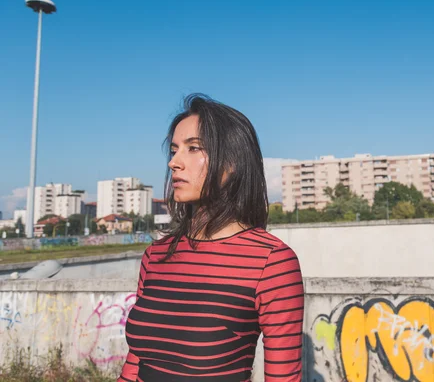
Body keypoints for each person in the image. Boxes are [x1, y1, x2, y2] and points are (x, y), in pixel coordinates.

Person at [118, 94, 304, 381]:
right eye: (174, 150)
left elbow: (284, 376)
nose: (174, 163)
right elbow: (135, 363)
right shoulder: (156, 255)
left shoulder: (272, 261)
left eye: (194, 148)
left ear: (233, 163)